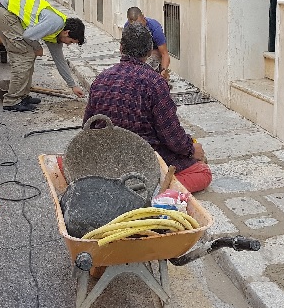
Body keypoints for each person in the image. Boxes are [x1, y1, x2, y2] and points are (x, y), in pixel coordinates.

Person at [85, 23, 212, 193]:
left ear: (121, 48)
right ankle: (150, 189)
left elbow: (88, 127)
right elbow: (172, 136)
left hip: (108, 159)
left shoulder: (101, 79)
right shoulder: (155, 83)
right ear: (148, 52)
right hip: (144, 160)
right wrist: (191, 149)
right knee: (202, 172)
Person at [0, 0, 86, 111]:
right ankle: (12, 101)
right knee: (23, 55)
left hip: (4, 10)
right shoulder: (55, 23)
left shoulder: (56, 35)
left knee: (29, 54)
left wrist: (73, 86)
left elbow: (60, 61)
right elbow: (27, 36)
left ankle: (22, 95)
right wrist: (38, 47)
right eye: (71, 42)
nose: (68, 44)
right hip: (1, 10)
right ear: (67, 33)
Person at [124, 7, 171, 80]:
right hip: (135, 52)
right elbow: (123, 48)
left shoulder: (155, 28)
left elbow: (164, 53)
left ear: (143, 17)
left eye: (139, 23)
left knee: (146, 70)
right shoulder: (127, 26)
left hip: (151, 52)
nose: (138, 27)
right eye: (135, 26)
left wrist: (164, 70)